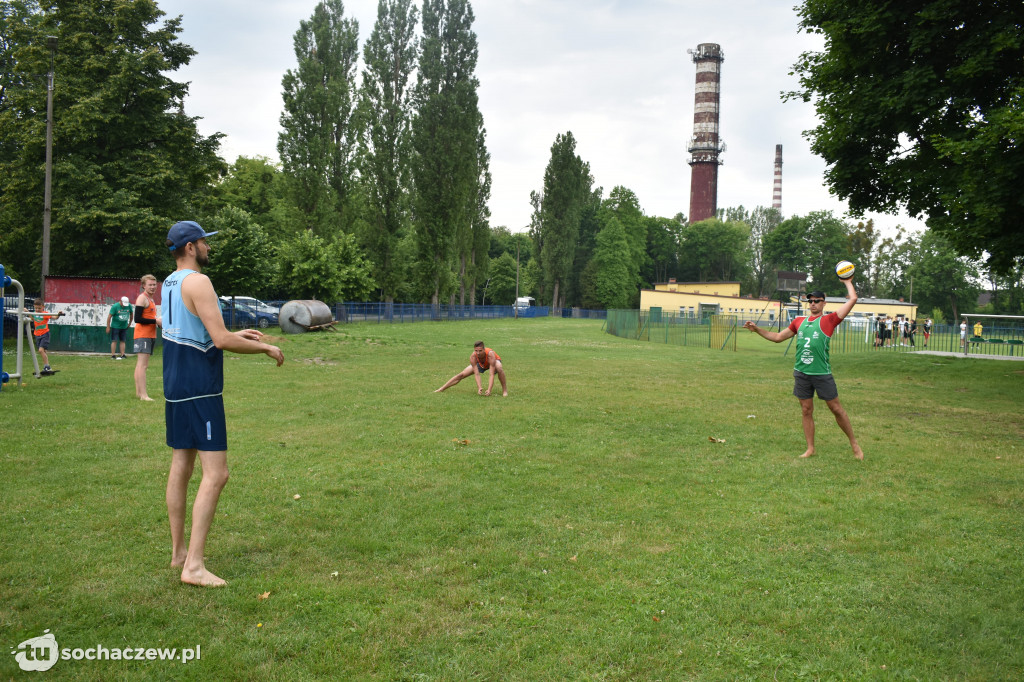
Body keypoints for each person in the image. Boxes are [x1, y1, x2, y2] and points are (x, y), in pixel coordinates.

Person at [161, 220, 284, 587]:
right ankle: (194, 567)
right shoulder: (199, 281)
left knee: (181, 465)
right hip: (201, 387)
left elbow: (198, 329)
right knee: (217, 473)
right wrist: (264, 346)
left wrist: (235, 333)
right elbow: (219, 339)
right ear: (189, 247)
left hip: (175, 385)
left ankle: (179, 553)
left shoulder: (170, 282)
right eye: (203, 243)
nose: (208, 248)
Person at [743, 278, 864, 461]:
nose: (813, 304)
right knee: (806, 410)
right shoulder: (799, 321)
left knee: (836, 409)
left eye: (817, 301)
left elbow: (853, 299)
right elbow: (777, 337)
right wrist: (757, 329)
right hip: (801, 373)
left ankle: (855, 445)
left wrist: (847, 281)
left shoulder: (830, 320)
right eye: (810, 301)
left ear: (824, 303)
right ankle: (810, 449)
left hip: (821, 373)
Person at [435, 341, 508, 396]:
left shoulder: (490, 354)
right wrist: (479, 387)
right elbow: (476, 373)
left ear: (484, 349)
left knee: (499, 368)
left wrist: (489, 390)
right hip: (481, 364)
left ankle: (504, 391)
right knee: (461, 375)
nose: (478, 353)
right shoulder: (473, 356)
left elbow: (491, 374)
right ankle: (441, 389)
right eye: (476, 350)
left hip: (492, 362)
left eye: (480, 351)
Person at [134, 274, 161, 400]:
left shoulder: (151, 299)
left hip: (150, 334)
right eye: (150, 285)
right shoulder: (142, 298)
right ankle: (143, 395)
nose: (153, 287)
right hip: (142, 335)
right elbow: (137, 319)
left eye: (154, 284)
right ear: (144, 285)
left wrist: (157, 323)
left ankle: (139, 393)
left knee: (141, 365)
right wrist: (156, 321)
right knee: (142, 365)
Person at [26, 299, 64, 372]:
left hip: (45, 334)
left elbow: (55, 317)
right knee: (43, 351)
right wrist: (27, 312)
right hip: (37, 335)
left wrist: (59, 314)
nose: (37, 310)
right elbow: (32, 318)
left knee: (41, 350)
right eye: (36, 308)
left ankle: (47, 366)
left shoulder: (45, 314)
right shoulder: (35, 313)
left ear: (43, 307)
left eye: (39, 308)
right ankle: (47, 367)